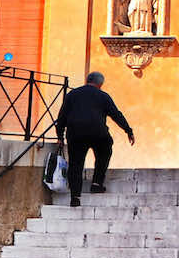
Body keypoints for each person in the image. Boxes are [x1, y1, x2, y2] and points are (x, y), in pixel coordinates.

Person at [53, 71, 135, 206]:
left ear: (86, 80)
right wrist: (128, 130)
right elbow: (116, 114)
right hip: (98, 133)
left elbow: (62, 117)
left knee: (76, 164)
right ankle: (97, 183)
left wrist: (60, 136)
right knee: (105, 151)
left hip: (75, 134)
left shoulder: (72, 95)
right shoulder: (103, 96)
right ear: (100, 84)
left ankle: (75, 197)